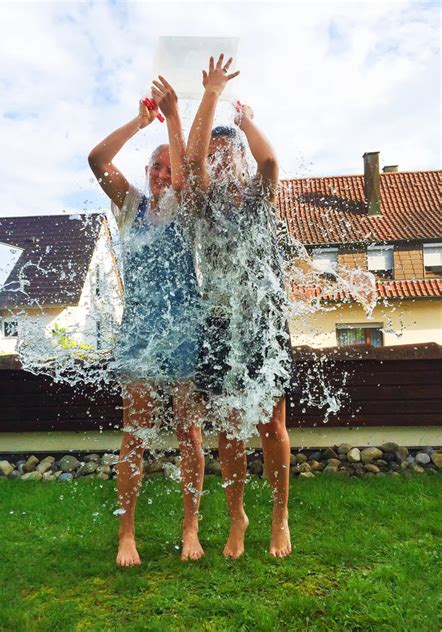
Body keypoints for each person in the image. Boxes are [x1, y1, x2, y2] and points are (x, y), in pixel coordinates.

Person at [88, 77, 205, 567]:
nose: (160, 173)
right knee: (134, 434)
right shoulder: (131, 206)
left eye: (166, 165)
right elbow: (96, 160)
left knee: (189, 434)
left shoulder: (188, 206)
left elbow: (189, 175)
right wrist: (141, 121)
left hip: (184, 331)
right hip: (139, 333)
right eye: (153, 165)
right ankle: (127, 534)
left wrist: (176, 116)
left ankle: (191, 529)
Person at [186, 54, 293, 559]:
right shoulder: (204, 208)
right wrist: (210, 94)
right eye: (217, 156)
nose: (222, 162)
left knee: (270, 426)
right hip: (221, 322)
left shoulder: (260, 200)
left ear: (242, 164)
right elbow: (191, 163)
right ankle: (237, 518)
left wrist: (245, 119)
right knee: (228, 427)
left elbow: (271, 163)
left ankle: (279, 515)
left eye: (232, 156)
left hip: (264, 323)